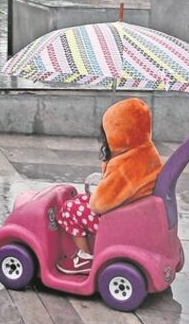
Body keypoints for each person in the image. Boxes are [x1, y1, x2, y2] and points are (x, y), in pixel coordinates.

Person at [55, 98, 162, 275]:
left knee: (70, 208)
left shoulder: (124, 165)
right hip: (135, 212)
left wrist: (101, 185)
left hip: (120, 220)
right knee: (80, 200)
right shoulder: (147, 151)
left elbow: (98, 205)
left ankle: (84, 258)